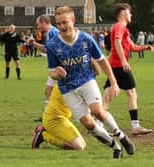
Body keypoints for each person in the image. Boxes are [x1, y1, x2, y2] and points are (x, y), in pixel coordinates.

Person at [46, 6, 135, 158]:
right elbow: (52, 71)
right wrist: (57, 74)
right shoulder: (52, 44)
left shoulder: (85, 39)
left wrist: (113, 82)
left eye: (65, 22)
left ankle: (121, 136)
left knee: (97, 111)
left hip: (87, 81)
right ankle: (115, 147)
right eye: (59, 24)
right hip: (67, 89)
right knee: (88, 124)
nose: (62, 27)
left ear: (73, 21)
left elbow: (102, 60)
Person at [103, 3, 154, 135]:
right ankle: (135, 126)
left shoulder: (124, 29)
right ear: (123, 13)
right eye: (129, 13)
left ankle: (97, 126)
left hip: (114, 65)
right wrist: (124, 61)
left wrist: (145, 47)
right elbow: (117, 42)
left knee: (108, 96)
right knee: (131, 93)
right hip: (119, 65)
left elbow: (131, 47)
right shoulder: (120, 26)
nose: (131, 15)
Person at [29, 15, 59, 107]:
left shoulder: (53, 33)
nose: (38, 27)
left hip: (58, 68)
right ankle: (47, 116)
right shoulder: (51, 33)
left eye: (38, 24)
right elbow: (47, 49)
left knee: (50, 91)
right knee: (48, 92)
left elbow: (50, 50)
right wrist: (34, 43)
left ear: (43, 22)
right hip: (55, 67)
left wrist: (34, 43)